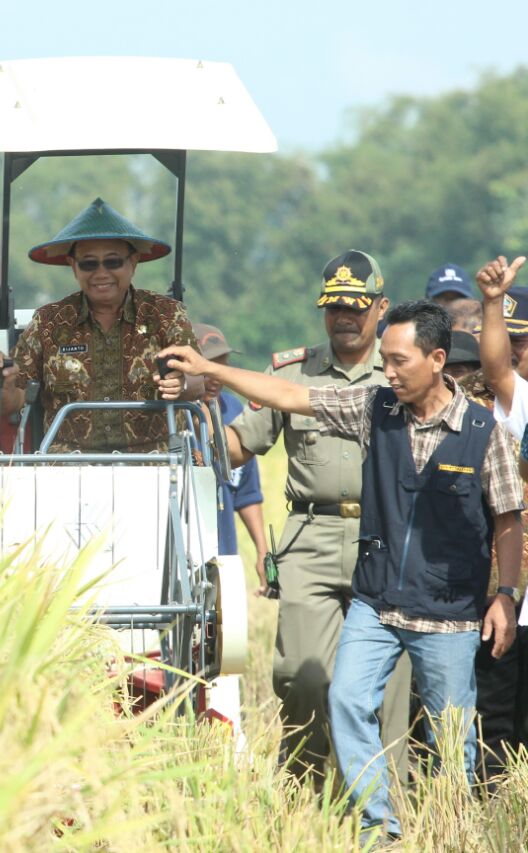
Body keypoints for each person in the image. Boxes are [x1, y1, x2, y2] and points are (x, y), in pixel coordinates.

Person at [162, 300, 523, 840]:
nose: (389, 371)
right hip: (375, 605)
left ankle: (454, 833)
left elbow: (509, 520)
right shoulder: (373, 408)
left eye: (400, 361)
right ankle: (380, 828)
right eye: (386, 359)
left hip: (447, 612)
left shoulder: (482, 431)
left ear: (437, 359)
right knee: (345, 701)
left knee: (452, 736)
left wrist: (508, 595)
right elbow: (290, 395)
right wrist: (210, 370)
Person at [225, 250, 410, 783]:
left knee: (389, 684)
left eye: (356, 305)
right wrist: (196, 425)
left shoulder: (403, 371)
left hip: (387, 536)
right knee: (300, 675)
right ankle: (308, 785)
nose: (344, 317)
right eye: (334, 307)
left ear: (381, 308)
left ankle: (386, 807)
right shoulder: (289, 372)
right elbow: (240, 444)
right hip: (311, 536)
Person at [0, 198, 196, 453]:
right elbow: (9, 404)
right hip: (68, 470)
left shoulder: (165, 314)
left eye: (113, 262)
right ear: (73, 266)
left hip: (156, 465)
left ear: (133, 262)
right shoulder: (48, 322)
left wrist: (181, 384)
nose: (101, 273)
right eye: (89, 264)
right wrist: (1, 383)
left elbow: (198, 379)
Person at [466, 255, 528, 780]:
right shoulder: (519, 402)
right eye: (510, 341)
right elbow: (494, 370)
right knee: (498, 722)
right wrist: (490, 303)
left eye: (522, 342)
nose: (514, 352)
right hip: (511, 590)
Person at [195, 323, 269, 593]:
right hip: (180, 553)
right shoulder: (167, 413)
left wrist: (263, 552)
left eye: (222, 366)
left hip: (222, 555)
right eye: (208, 366)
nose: (216, 377)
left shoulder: (234, 409)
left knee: (223, 631)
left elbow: (247, 492)